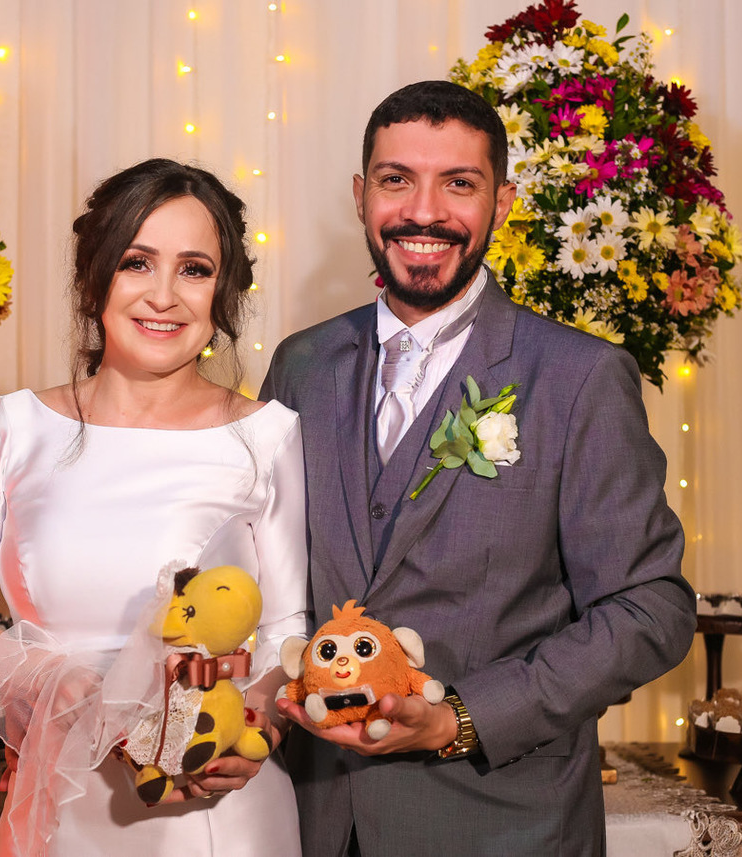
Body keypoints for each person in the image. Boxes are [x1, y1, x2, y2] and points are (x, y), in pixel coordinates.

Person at [260, 80, 696, 855]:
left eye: (458, 184)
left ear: (502, 203)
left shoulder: (580, 377)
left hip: (506, 825)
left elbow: (650, 608)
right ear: (361, 196)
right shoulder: (303, 364)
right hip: (316, 819)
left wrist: (460, 716)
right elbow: (269, 575)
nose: (423, 212)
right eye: (397, 179)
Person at [0, 158, 307, 856]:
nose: (164, 296)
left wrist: (258, 729)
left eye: (194, 270)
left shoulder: (268, 435)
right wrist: (56, 685)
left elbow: (285, 632)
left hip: (212, 809)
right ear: (95, 278)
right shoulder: (15, 428)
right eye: (137, 263)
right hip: (59, 802)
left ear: (222, 292)